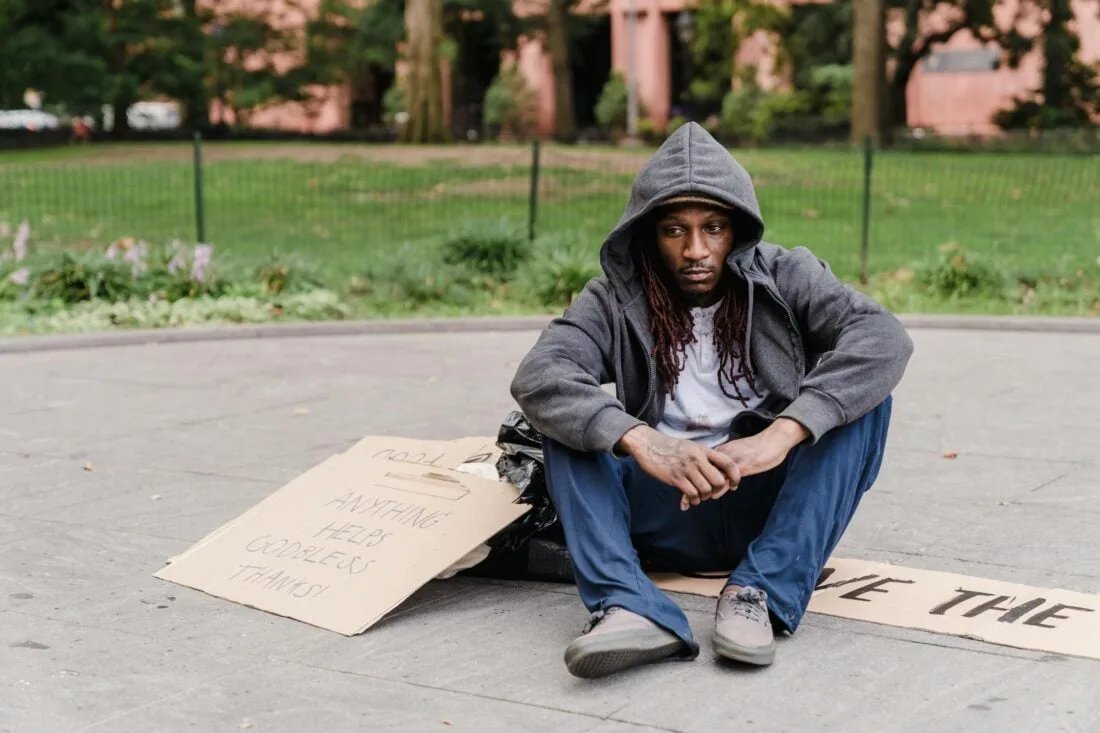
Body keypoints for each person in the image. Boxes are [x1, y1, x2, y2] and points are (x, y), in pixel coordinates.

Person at [509, 122, 913, 679]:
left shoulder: (786, 275)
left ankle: (759, 594)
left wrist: (782, 433)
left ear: (738, 231)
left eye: (714, 228)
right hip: (664, 507)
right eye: (675, 229)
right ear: (649, 233)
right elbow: (540, 374)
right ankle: (629, 605)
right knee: (568, 421)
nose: (696, 250)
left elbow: (883, 337)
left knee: (865, 401)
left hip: (767, 506)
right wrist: (642, 440)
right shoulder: (613, 300)